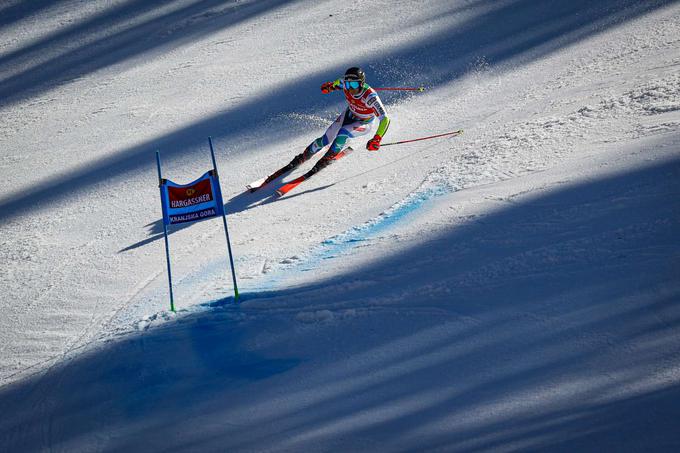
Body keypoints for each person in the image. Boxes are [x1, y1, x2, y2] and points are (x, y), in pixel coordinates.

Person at [287, 66, 391, 176]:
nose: (350, 88)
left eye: (354, 84)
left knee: (343, 133)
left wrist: (377, 138)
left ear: (361, 83)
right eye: (347, 84)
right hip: (348, 115)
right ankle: (304, 156)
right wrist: (329, 87)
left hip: (364, 123)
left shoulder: (370, 97)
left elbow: (385, 119)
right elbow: (337, 83)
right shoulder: (344, 83)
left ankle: (326, 160)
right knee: (325, 139)